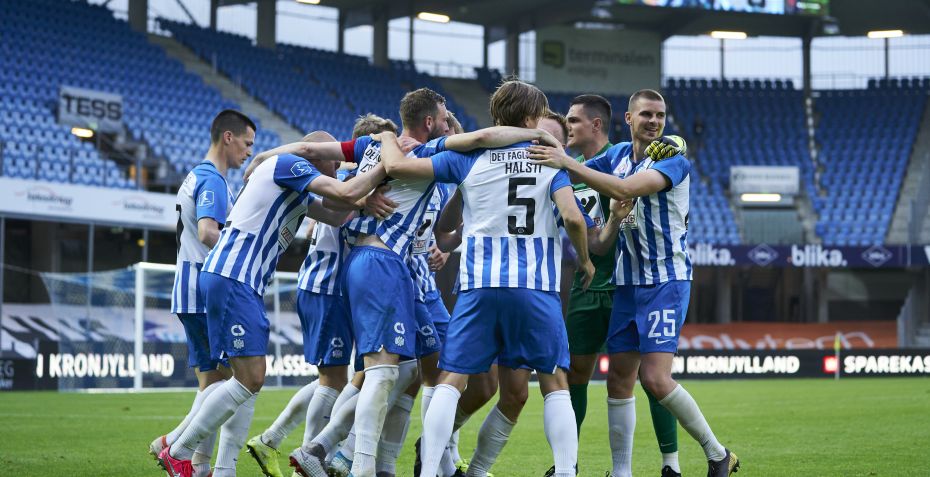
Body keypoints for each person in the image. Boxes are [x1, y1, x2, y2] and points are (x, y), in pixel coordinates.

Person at [287, 89, 565, 477]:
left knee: (406, 373)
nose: (451, 127)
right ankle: (342, 456)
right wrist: (539, 136)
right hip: (385, 266)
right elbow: (484, 138)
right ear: (432, 123)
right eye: (446, 119)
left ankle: (372, 461)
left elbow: (314, 159)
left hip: (394, 271)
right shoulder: (418, 153)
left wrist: (271, 158)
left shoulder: (378, 148)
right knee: (383, 374)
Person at [377, 79, 593, 477]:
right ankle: (566, 472)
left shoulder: (467, 157)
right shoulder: (549, 160)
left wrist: (389, 138)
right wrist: (585, 261)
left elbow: (406, 175)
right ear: (531, 118)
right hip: (535, 287)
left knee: (451, 378)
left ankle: (429, 469)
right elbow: (574, 219)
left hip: (479, 284)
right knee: (553, 380)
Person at [528, 89, 739, 477]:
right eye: (646, 114)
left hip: (665, 281)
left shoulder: (674, 161)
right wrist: (545, 147)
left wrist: (564, 161)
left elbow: (623, 189)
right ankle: (622, 472)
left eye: (660, 115)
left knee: (655, 378)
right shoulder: (619, 155)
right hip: (627, 283)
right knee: (618, 381)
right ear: (629, 118)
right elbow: (582, 168)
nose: (654, 121)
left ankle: (717, 453)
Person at [158, 129, 390, 477]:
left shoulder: (293, 185)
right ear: (318, 158)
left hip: (238, 280)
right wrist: (387, 163)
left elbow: (335, 213)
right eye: (335, 162)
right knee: (249, 378)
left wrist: (362, 203)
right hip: (234, 275)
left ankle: (213, 465)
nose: (339, 167)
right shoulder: (289, 165)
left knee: (242, 381)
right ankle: (179, 450)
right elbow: (343, 192)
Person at [243, 127, 390, 477]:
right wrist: (363, 197)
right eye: (334, 158)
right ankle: (306, 460)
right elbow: (340, 204)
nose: (338, 163)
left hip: (328, 288)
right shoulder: (347, 184)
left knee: (336, 377)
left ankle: (275, 440)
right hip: (327, 287)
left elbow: (329, 217)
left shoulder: (340, 184)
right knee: (334, 380)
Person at [149, 109, 255, 477]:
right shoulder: (212, 180)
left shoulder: (196, 175)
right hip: (202, 289)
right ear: (228, 137)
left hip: (189, 286)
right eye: (246, 143)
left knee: (213, 381)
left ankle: (193, 462)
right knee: (233, 381)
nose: (248, 151)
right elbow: (209, 232)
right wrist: (243, 256)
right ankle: (179, 449)